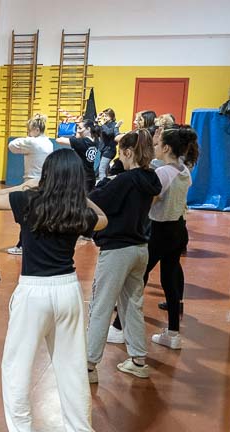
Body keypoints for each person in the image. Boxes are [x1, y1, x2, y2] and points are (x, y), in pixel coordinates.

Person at [0, 149, 108, 432]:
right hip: (68, 290)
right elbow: (103, 219)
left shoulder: (29, 201)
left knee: (16, 365)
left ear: (46, 174)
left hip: (34, 291)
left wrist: (26, 187)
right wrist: (81, 197)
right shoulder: (78, 210)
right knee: (72, 368)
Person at [112, 126, 198, 350]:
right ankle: (173, 333)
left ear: (167, 148)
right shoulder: (184, 171)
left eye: (158, 145)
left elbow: (151, 199)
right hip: (178, 229)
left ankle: (119, 327)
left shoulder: (163, 173)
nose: (155, 148)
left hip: (159, 230)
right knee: (169, 280)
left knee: (137, 277)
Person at [86, 130, 162, 383]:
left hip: (117, 250)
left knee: (101, 306)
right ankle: (138, 359)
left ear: (128, 153)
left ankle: (88, 365)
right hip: (140, 248)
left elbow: (94, 202)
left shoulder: (123, 181)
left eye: (121, 153)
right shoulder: (150, 178)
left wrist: (105, 182)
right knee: (132, 305)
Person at [6, 114, 53, 255]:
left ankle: (22, 245)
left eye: (30, 130)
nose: (28, 133)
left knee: (26, 216)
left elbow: (11, 146)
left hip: (31, 183)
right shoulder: (49, 142)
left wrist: (27, 138)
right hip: (45, 182)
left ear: (36, 130)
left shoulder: (32, 142)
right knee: (39, 215)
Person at [56, 118, 99, 193]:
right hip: (91, 176)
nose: (77, 130)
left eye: (80, 128)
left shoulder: (81, 142)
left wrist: (63, 127)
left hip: (82, 177)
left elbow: (59, 140)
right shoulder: (96, 140)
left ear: (88, 129)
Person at [96, 108, 122, 181]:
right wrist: (97, 120)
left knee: (101, 169)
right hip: (103, 150)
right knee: (106, 170)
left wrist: (103, 124)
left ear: (111, 116)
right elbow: (95, 130)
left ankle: (102, 185)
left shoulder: (114, 124)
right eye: (103, 116)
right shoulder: (104, 124)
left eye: (106, 116)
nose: (104, 117)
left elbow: (109, 133)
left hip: (110, 150)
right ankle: (106, 184)